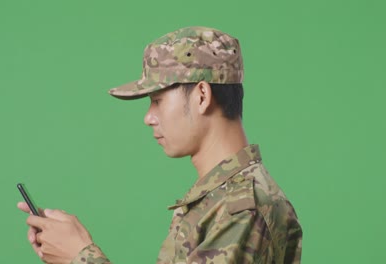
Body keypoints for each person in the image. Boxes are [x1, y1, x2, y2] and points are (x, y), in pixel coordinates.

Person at [17, 26, 303, 264]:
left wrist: (79, 256)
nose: (148, 117)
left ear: (201, 95)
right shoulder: (220, 199)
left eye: (157, 101)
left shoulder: (241, 209)